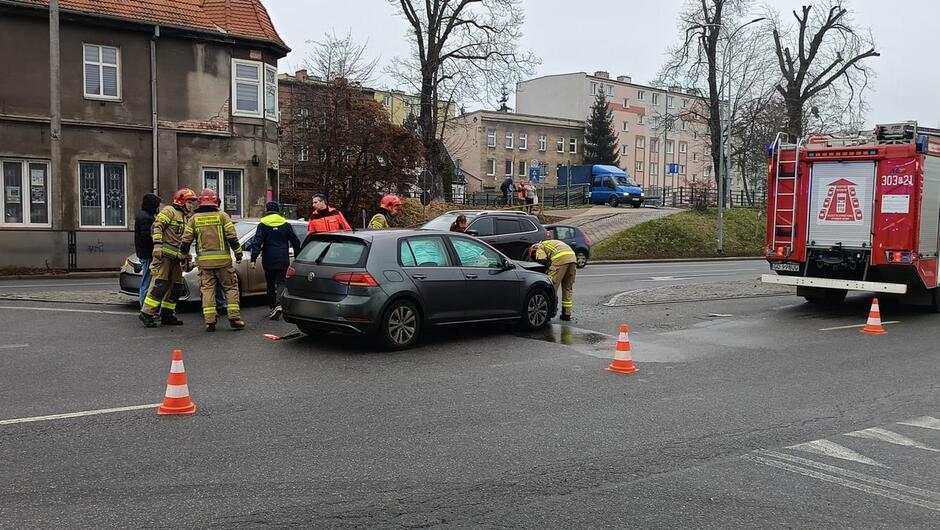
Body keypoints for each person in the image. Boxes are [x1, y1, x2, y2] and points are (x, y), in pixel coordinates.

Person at [179, 188, 246, 332]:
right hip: (223, 263)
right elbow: (232, 237)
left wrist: (182, 256)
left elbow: (185, 241)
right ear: (216, 201)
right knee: (230, 288)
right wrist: (238, 253)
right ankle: (234, 318)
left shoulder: (194, 219)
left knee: (207, 290)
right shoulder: (223, 216)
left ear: (200, 202)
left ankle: (210, 322)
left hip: (204, 264)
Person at [139, 188, 198, 328]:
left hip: (176, 259)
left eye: (192, 203)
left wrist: (187, 257)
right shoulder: (169, 211)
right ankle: (146, 313)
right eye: (189, 202)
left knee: (176, 287)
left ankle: (167, 314)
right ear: (181, 201)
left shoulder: (185, 217)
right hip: (164, 257)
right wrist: (157, 246)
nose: (191, 205)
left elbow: (184, 240)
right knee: (159, 285)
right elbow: (157, 227)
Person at [251, 201, 301, 320]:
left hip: (268, 258)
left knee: (270, 283)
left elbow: (257, 242)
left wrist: (253, 259)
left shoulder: (262, 225)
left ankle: (273, 307)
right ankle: (279, 304)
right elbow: (296, 242)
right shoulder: (286, 225)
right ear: (278, 210)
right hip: (283, 257)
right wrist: (297, 256)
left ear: (267, 210)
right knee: (281, 282)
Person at [533, 239, 577, 321]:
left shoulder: (539, 246)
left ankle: (549, 313)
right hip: (573, 259)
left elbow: (542, 260)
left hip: (560, 260)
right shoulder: (552, 243)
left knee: (551, 287)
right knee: (567, 288)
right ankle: (566, 314)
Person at [134, 193, 161, 308]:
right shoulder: (147, 218)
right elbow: (147, 237)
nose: (158, 207)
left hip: (143, 252)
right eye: (157, 205)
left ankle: (144, 306)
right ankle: (144, 306)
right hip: (147, 254)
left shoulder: (143, 215)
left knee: (147, 280)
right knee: (147, 281)